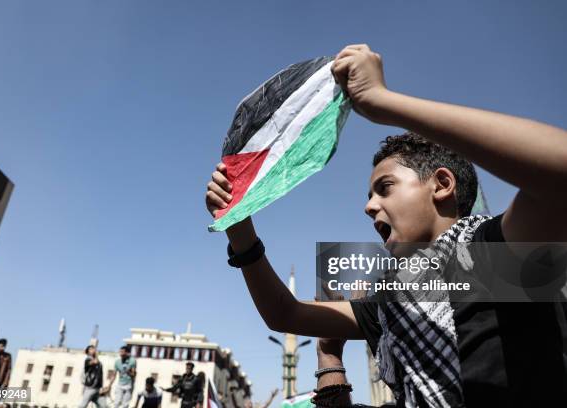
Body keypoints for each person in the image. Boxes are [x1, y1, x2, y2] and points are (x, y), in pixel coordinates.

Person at [205, 43, 567, 407]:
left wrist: (383, 102)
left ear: (441, 185)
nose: (368, 206)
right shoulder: (392, 303)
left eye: (385, 188)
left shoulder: (495, 254)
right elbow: (283, 313)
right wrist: (239, 226)